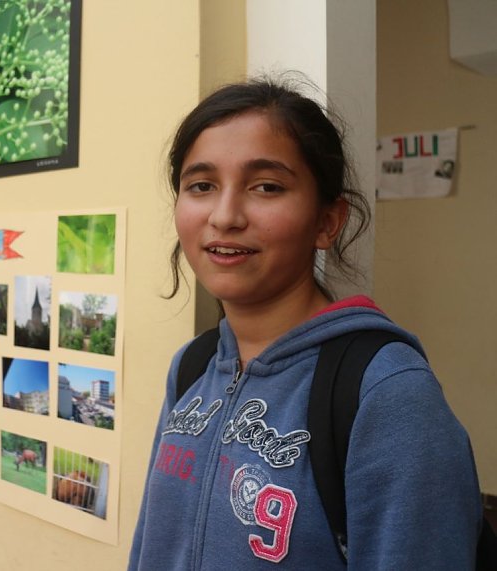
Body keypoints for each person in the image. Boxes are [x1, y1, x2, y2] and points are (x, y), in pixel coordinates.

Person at [128, 78, 483, 569]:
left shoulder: (388, 394)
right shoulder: (192, 367)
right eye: (202, 185)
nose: (225, 215)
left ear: (327, 222)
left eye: (266, 187)